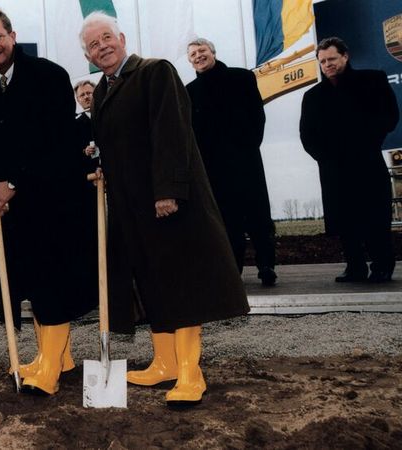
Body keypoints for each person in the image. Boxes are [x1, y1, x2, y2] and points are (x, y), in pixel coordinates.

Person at [79, 11, 249, 405]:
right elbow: (119, 142)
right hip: (130, 207)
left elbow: (172, 132)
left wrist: (168, 191)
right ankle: (165, 363)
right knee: (151, 281)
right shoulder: (102, 91)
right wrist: (104, 168)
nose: (101, 46)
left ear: (121, 37)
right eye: (92, 44)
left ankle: (191, 373)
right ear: (87, 54)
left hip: (168, 203)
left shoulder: (156, 72)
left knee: (181, 282)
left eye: (106, 37)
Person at [0, 7, 96, 395]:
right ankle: (58, 356)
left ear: (12, 35)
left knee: (51, 281)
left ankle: (51, 369)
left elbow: (54, 141)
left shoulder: (48, 75)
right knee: (29, 280)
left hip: (55, 198)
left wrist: (12, 181)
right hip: (13, 205)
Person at [300, 37, 399, 283]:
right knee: (345, 219)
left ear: (345, 56)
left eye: (331, 59)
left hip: (367, 161)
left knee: (375, 217)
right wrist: (324, 158)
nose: (327, 64)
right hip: (334, 168)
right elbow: (307, 134)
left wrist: (366, 142)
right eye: (322, 61)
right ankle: (354, 267)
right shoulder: (313, 96)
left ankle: (382, 266)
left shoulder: (372, 80)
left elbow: (390, 115)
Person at [185, 38, 277, 286]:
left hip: (245, 158)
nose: (198, 56)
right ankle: (232, 270)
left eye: (201, 50)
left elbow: (257, 114)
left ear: (212, 51)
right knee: (227, 220)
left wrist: (249, 146)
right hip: (214, 167)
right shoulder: (189, 91)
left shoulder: (242, 77)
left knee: (257, 214)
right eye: (192, 54)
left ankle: (266, 264)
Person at [74, 80, 99, 172]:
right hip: (91, 174)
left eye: (89, 93)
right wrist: (85, 151)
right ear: (78, 99)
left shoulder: (108, 115)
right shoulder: (74, 124)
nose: (86, 97)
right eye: (82, 95)